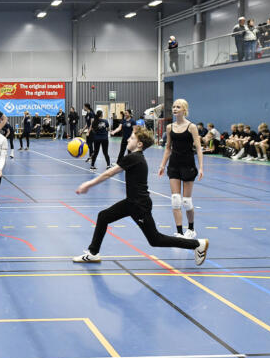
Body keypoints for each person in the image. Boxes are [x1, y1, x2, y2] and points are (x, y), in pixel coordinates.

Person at [72, 126, 209, 266]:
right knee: (103, 216)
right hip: (132, 202)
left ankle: (197, 244)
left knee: (155, 240)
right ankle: (93, 253)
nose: (127, 139)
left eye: (131, 138)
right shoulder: (136, 157)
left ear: (139, 144)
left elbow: (109, 173)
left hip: (139, 205)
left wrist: (88, 184)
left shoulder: (133, 157)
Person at [157, 99, 204, 239]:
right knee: (175, 199)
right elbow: (168, 148)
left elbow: (199, 149)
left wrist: (201, 167)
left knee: (186, 201)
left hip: (188, 165)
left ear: (184, 110)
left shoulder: (191, 127)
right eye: (174, 106)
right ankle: (179, 231)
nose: (175, 109)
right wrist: (162, 165)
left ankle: (191, 229)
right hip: (174, 165)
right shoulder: (169, 127)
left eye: (178, 107)